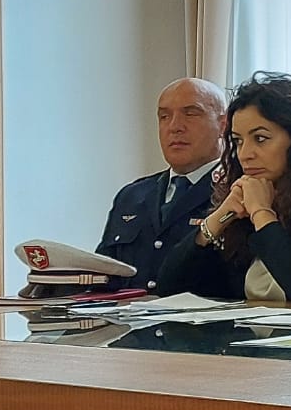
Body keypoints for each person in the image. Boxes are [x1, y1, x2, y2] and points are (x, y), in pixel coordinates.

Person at [159, 72, 291, 307]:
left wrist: (262, 214)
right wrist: (219, 219)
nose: (245, 154)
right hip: (243, 329)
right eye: (238, 141)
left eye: (260, 139)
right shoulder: (240, 198)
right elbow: (169, 287)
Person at [97, 78, 227, 291]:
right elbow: (103, 277)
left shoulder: (236, 192)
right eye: (164, 117)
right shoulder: (132, 195)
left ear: (223, 125)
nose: (175, 127)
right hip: (131, 313)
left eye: (191, 113)